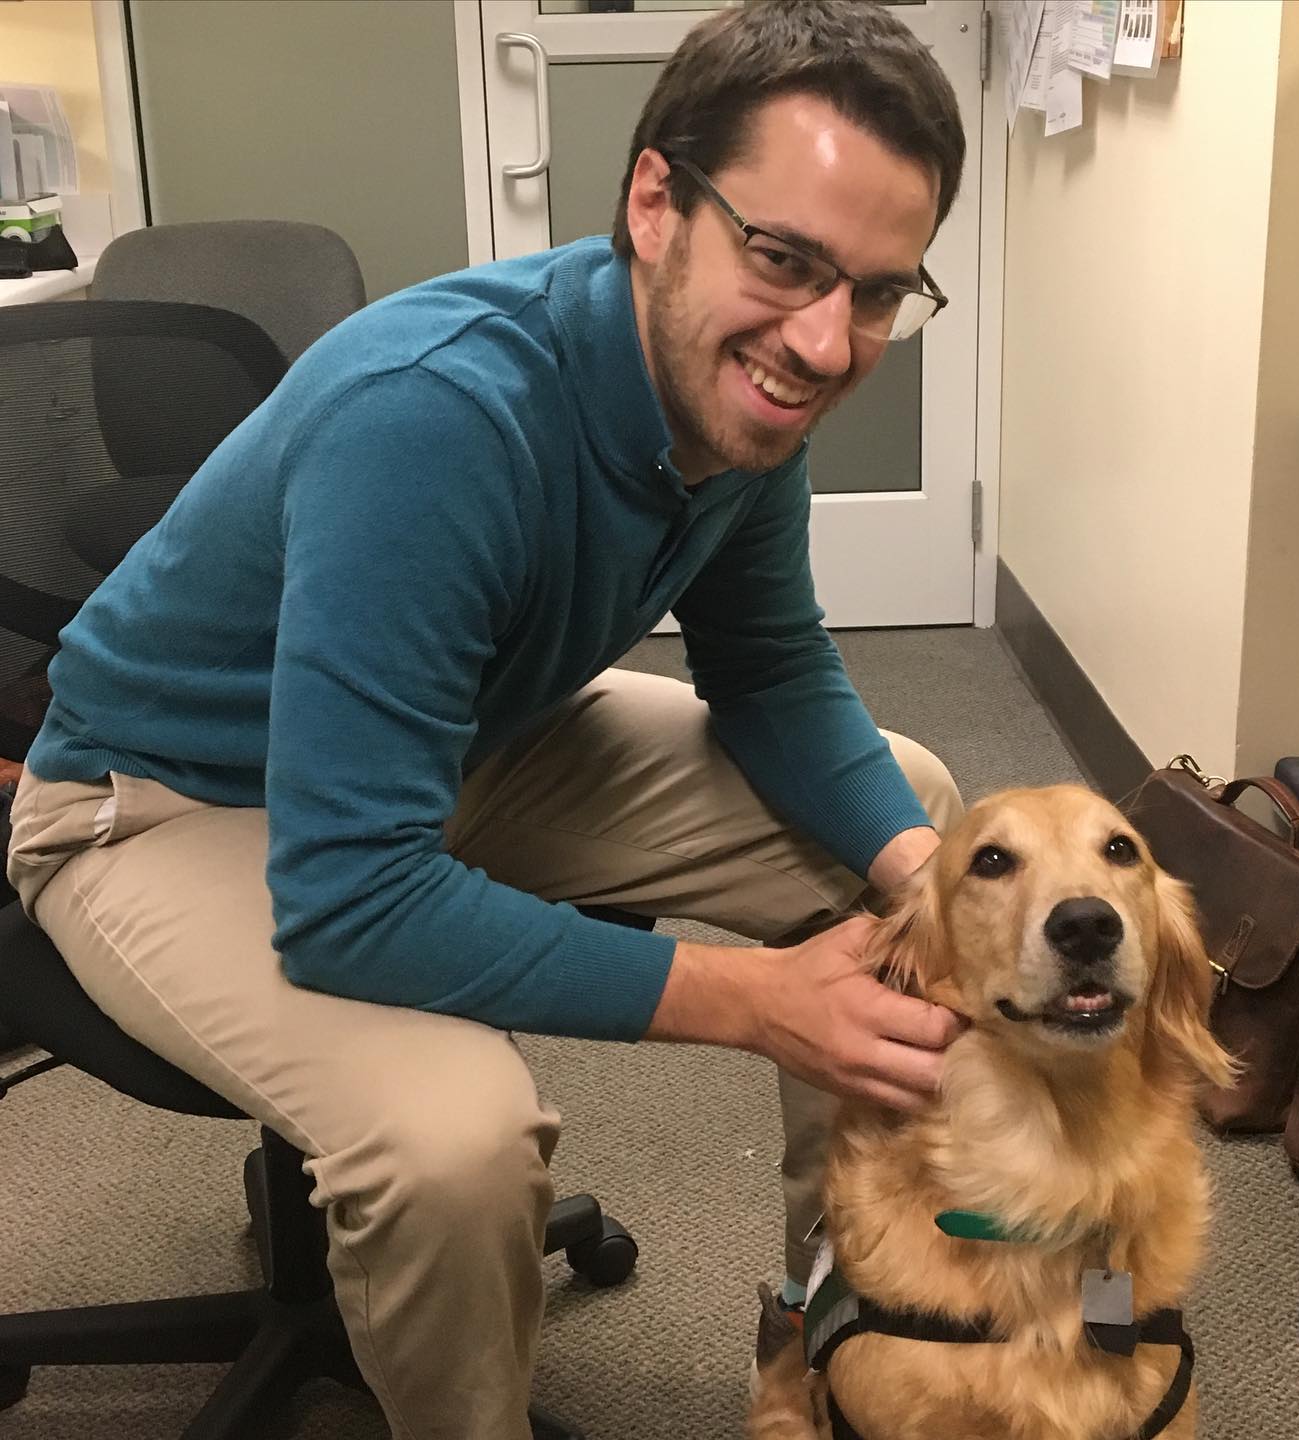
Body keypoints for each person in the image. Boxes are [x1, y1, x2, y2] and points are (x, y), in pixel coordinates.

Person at [6, 2, 969, 1435]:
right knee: (453, 1144)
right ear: (657, 203)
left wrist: (921, 884)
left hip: (456, 749)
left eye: (880, 293)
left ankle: (837, 1329)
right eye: (785, 260)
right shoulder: (441, 416)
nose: (827, 343)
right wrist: (755, 1006)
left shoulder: (743, 394)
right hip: (162, 804)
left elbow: (768, 672)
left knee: (924, 822)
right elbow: (348, 898)